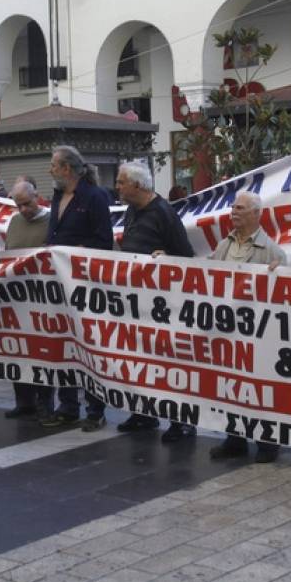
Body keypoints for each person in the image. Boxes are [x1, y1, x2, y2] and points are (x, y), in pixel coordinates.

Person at [114, 162, 197, 443]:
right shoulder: (131, 211)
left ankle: (182, 421)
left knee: (170, 362)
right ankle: (144, 413)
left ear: (137, 186)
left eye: (121, 182)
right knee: (140, 359)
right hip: (137, 302)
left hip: (164, 305)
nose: (118, 187)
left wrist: (167, 260)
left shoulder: (164, 213)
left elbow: (185, 256)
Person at [209, 191, 286, 463]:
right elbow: (201, 274)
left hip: (257, 333)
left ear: (256, 214)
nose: (233, 212)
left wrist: (281, 273)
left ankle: (267, 442)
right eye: (232, 207)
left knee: (259, 386)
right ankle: (235, 439)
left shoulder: (272, 251)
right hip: (228, 329)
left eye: (240, 208)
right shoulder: (223, 246)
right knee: (231, 385)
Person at [41, 146, 113, 431]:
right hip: (58, 283)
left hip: (84, 285)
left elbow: (104, 242)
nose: (50, 170)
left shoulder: (95, 197)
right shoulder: (59, 195)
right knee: (63, 344)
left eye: (53, 165)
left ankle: (95, 409)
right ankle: (67, 405)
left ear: (67, 169)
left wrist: (77, 251)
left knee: (88, 346)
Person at [2, 180, 52, 420]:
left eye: (26, 204)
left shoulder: (52, 221)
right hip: (17, 297)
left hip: (42, 299)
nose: (22, 210)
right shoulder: (14, 222)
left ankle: (45, 402)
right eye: (18, 205)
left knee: (42, 353)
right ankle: (24, 401)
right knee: (18, 351)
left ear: (37, 197)